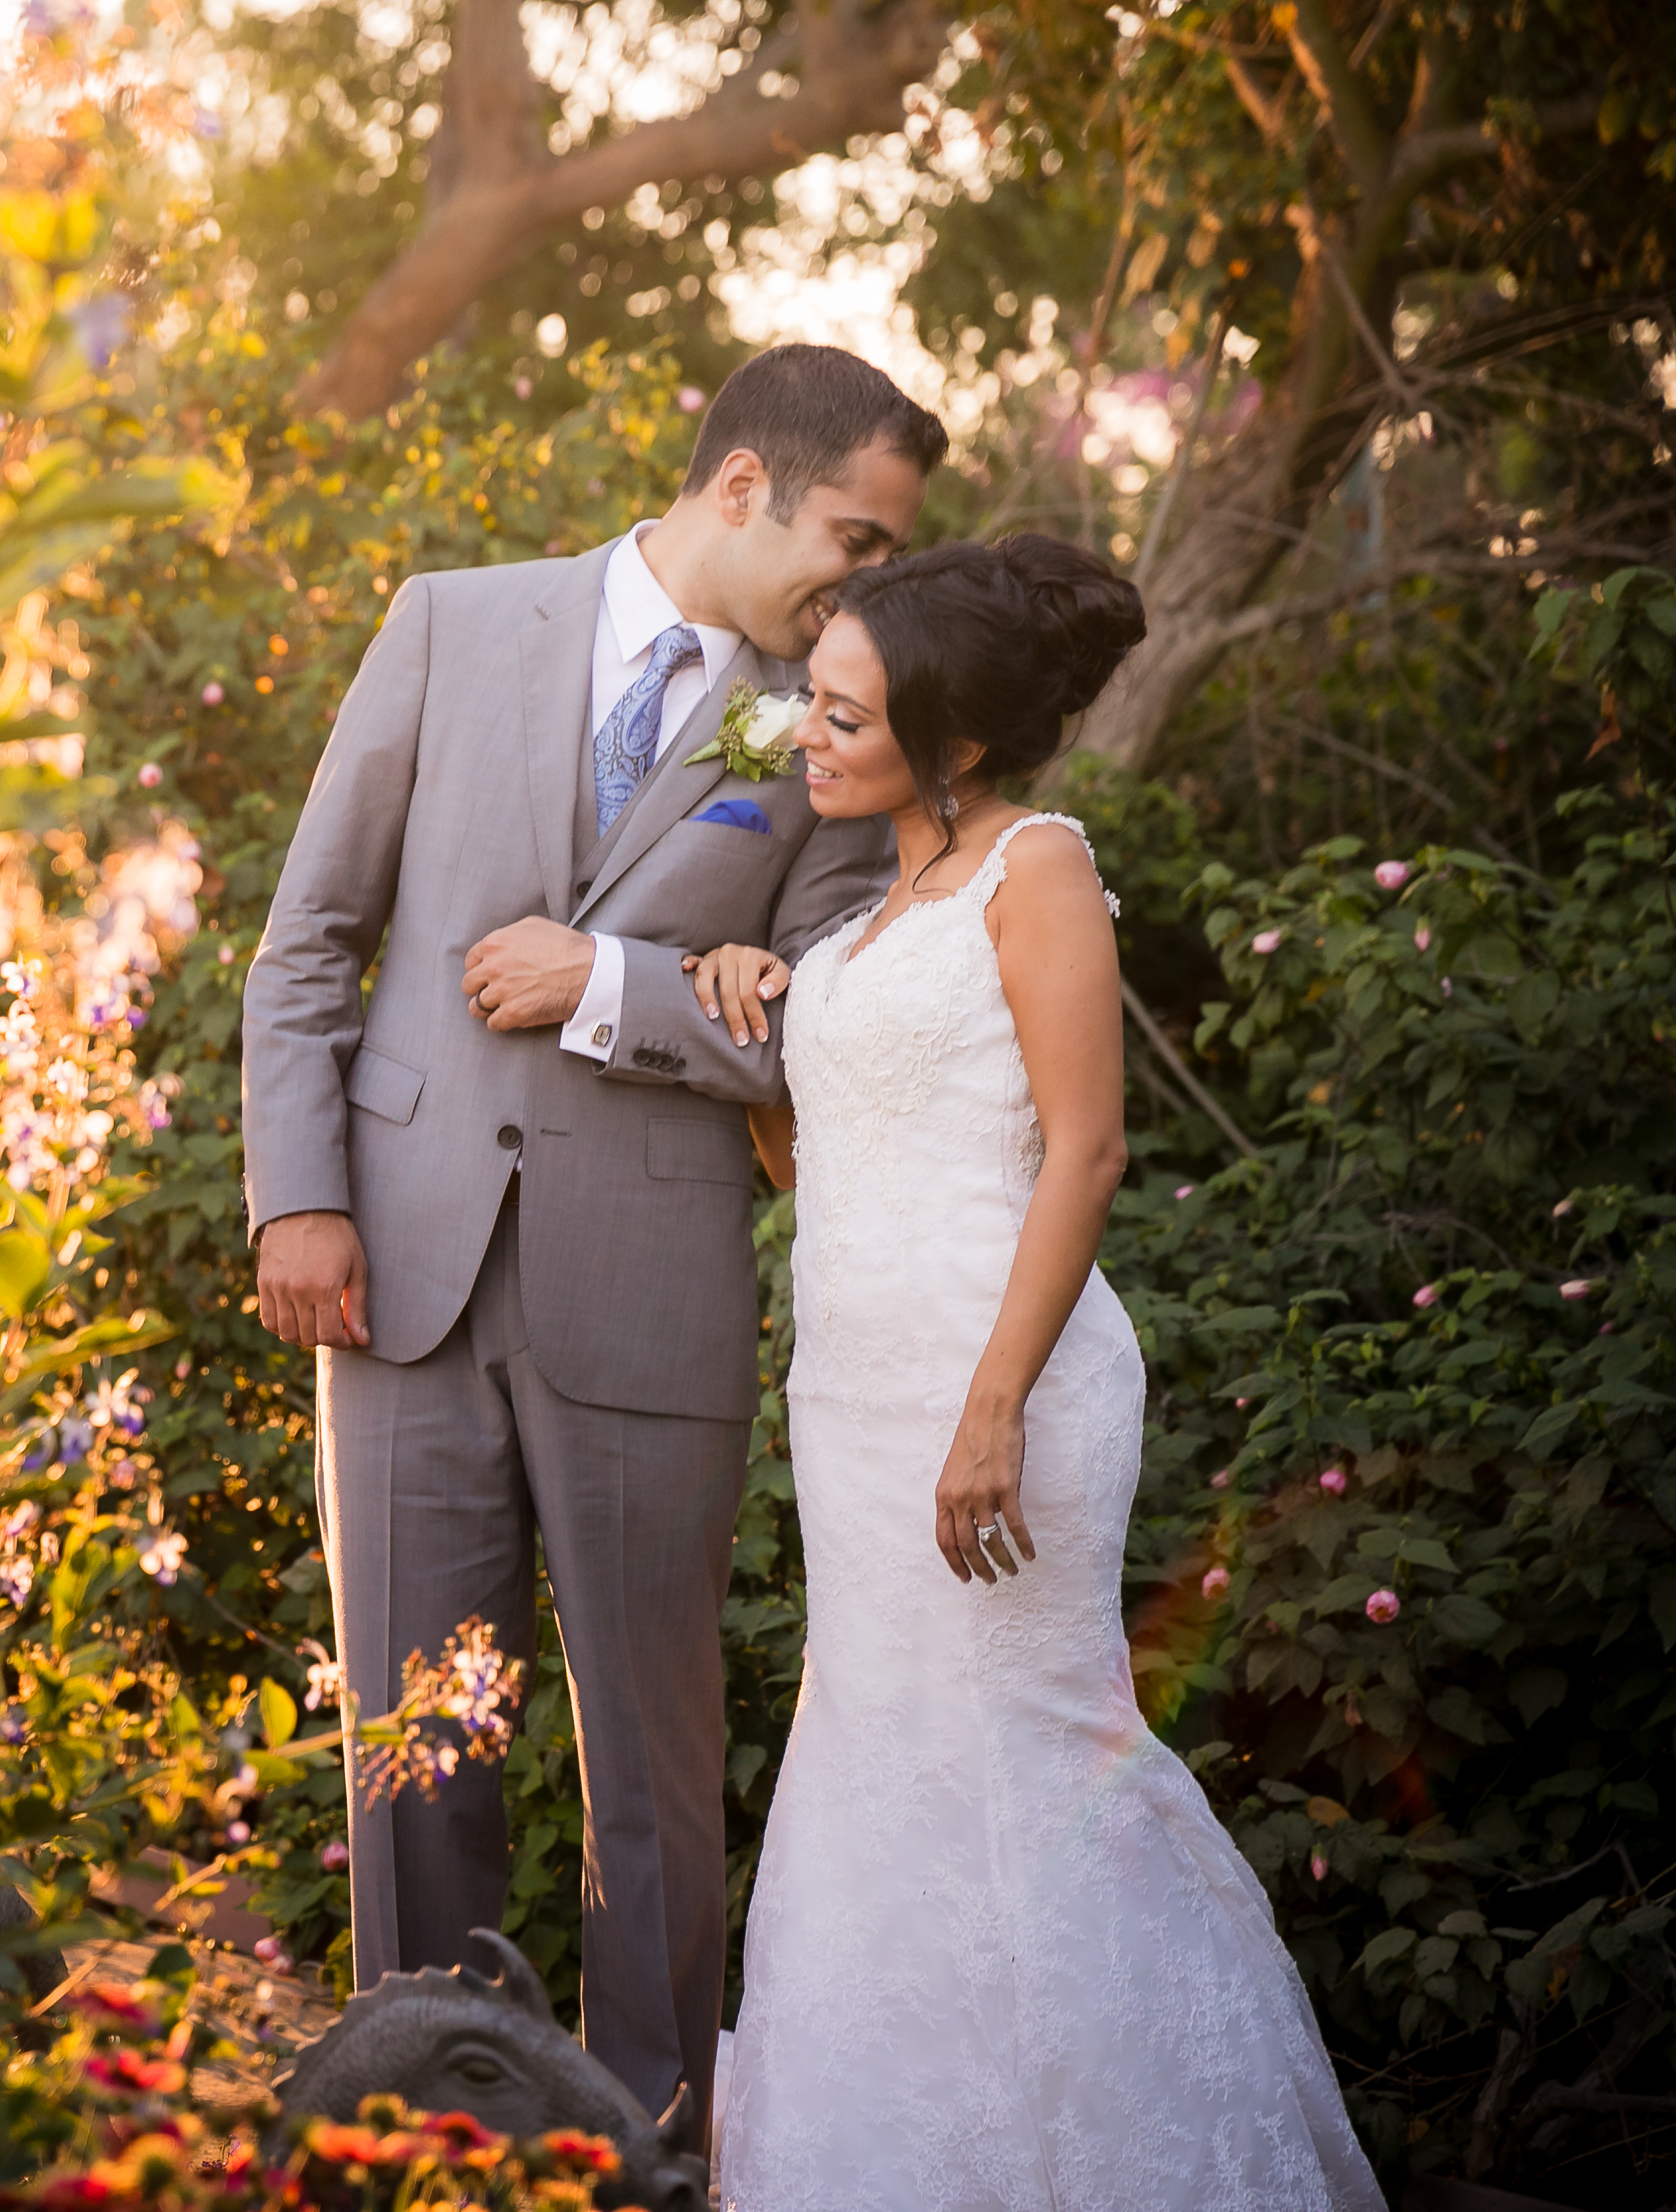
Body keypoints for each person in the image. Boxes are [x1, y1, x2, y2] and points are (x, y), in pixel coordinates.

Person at [238, 344, 939, 2128]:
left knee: (652, 1757)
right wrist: (300, 1196)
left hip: (649, 1293)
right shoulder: (452, 625)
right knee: (412, 1747)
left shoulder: (820, 730)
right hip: (395, 1272)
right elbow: (313, 934)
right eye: (851, 536)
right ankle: (421, 2126)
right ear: (739, 488)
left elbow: (826, 1022)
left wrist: (609, 983)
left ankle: (647, 2137)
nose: (860, 581)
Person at [689, 537, 1385, 2209]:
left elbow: (1084, 1152)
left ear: (964, 746)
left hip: (1002, 1390)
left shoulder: (1037, 868)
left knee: (1026, 1751)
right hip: (855, 1407)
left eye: (848, 715)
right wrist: (752, 1054)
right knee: (885, 1760)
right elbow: (830, 1176)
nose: (809, 736)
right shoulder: (871, 910)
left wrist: (992, 1405)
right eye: (813, 701)